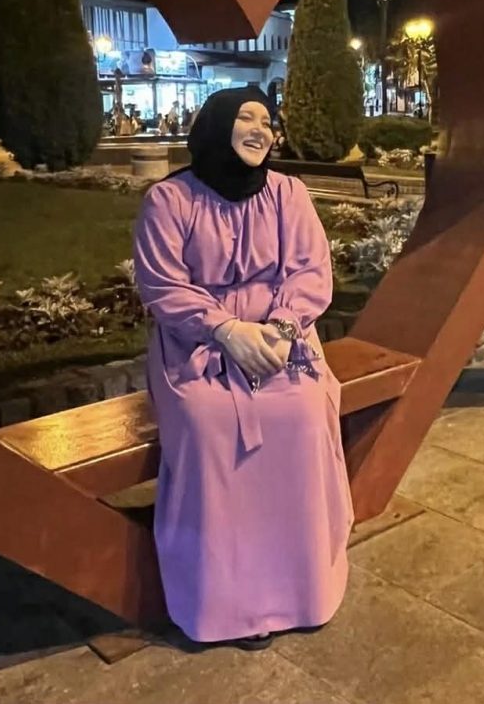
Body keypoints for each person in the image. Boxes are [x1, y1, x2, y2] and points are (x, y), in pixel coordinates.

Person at [132, 86, 352, 649]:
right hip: (197, 346)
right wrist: (225, 329)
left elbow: (310, 270)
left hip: (282, 340)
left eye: (267, 121)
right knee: (208, 425)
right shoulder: (169, 200)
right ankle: (228, 602)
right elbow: (162, 284)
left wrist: (282, 328)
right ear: (216, 125)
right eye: (246, 118)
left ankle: (300, 588)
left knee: (304, 413)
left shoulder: (288, 193)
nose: (260, 130)